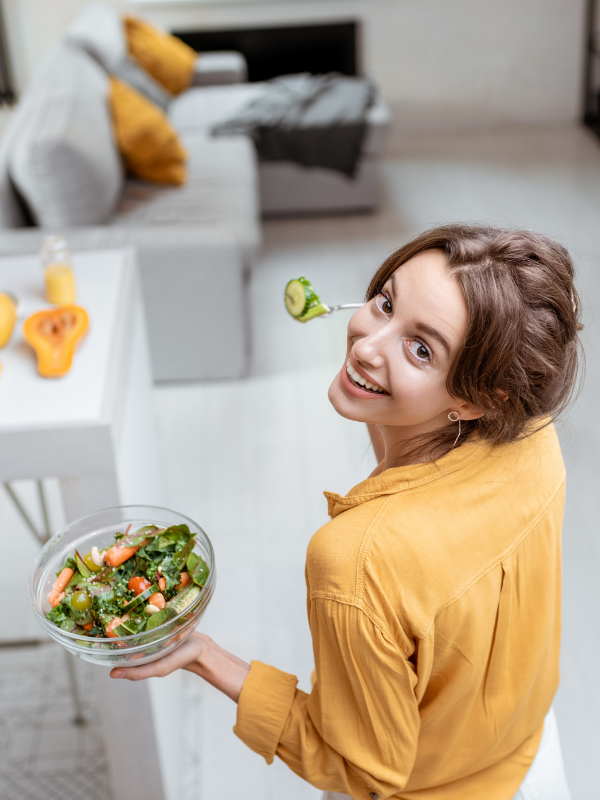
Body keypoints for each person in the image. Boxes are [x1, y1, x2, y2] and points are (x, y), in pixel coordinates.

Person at [111, 224, 581, 800]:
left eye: (420, 348)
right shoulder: (534, 435)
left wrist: (207, 658)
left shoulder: (357, 559)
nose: (364, 344)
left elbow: (363, 771)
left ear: (477, 400)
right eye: (385, 302)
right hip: (534, 761)